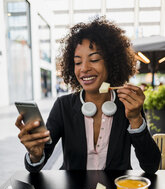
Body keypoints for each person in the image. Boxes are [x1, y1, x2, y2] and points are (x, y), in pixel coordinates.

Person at [15, 17, 161, 173]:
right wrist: (35, 155)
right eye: (77, 62)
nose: (84, 68)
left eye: (94, 59)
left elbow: (151, 166)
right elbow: (38, 161)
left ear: (111, 63)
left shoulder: (127, 105)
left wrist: (135, 119)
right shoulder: (63, 105)